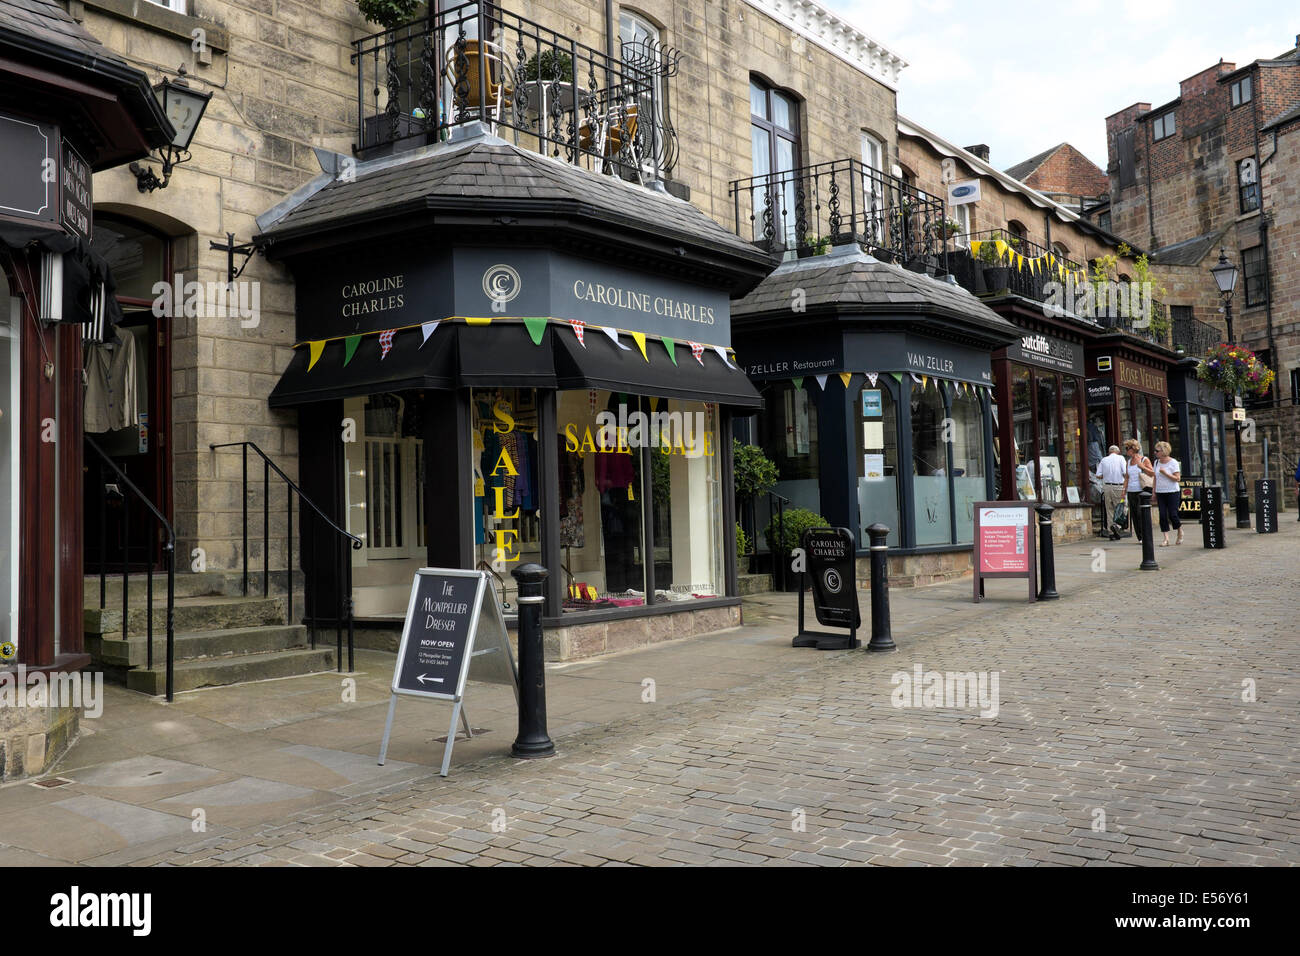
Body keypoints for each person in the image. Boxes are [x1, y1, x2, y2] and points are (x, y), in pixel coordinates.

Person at [1149, 440, 1183, 546]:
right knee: (1162, 515)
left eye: (1157, 451)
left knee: (1173, 514)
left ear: (1163, 452)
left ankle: (1180, 531)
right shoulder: (1156, 462)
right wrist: (1154, 491)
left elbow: (1177, 478)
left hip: (1172, 491)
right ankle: (1166, 539)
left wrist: (1166, 473)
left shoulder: (1173, 462)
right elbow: (1155, 478)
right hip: (1160, 492)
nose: (1155, 452)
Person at [1123, 439, 1153, 543]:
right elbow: (1127, 477)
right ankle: (1140, 537)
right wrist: (1124, 490)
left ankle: (1145, 535)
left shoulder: (1144, 459)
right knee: (1134, 515)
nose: (1126, 451)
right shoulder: (1128, 462)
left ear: (1133, 449)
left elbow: (1152, 473)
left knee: (1141, 514)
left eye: (1127, 448)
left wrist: (1142, 467)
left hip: (1142, 490)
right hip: (1131, 491)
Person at [1096, 444, 1127, 540]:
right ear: (1118, 452)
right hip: (1118, 486)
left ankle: (1111, 532)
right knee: (1122, 507)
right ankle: (1116, 526)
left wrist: (1106, 475)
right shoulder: (1121, 458)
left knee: (1109, 509)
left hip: (1107, 487)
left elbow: (1098, 475)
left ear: (1109, 452)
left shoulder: (1104, 460)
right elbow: (1125, 473)